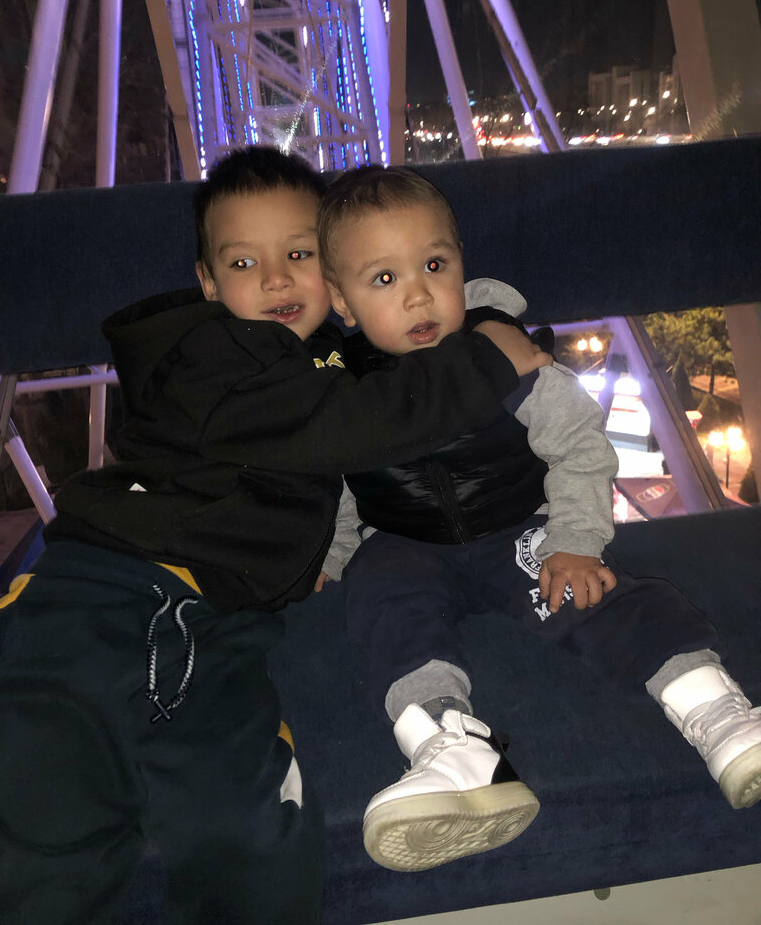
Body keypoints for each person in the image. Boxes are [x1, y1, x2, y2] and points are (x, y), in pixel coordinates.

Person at [0, 147, 549, 925]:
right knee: (43, 805)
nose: (278, 278)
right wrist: (486, 363)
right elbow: (352, 427)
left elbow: (413, 335)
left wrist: (487, 324)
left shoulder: (328, 359)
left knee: (259, 840)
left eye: (300, 254)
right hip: (111, 586)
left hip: (225, 627)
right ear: (208, 283)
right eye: (244, 262)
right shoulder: (213, 358)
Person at [316, 163, 761, 874]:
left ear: (462, 263)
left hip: (513, 526)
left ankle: (717, 710)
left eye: (435, 265)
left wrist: (575, 541)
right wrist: (335, 555)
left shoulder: (500, 354)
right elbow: (336, 480)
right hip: (402, 540)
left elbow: (580, 445)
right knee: (385, 606)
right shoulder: (339, 388)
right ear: (340, 300)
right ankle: (451, 745)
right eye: (384, 278)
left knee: (599, 598)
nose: (419, 294)